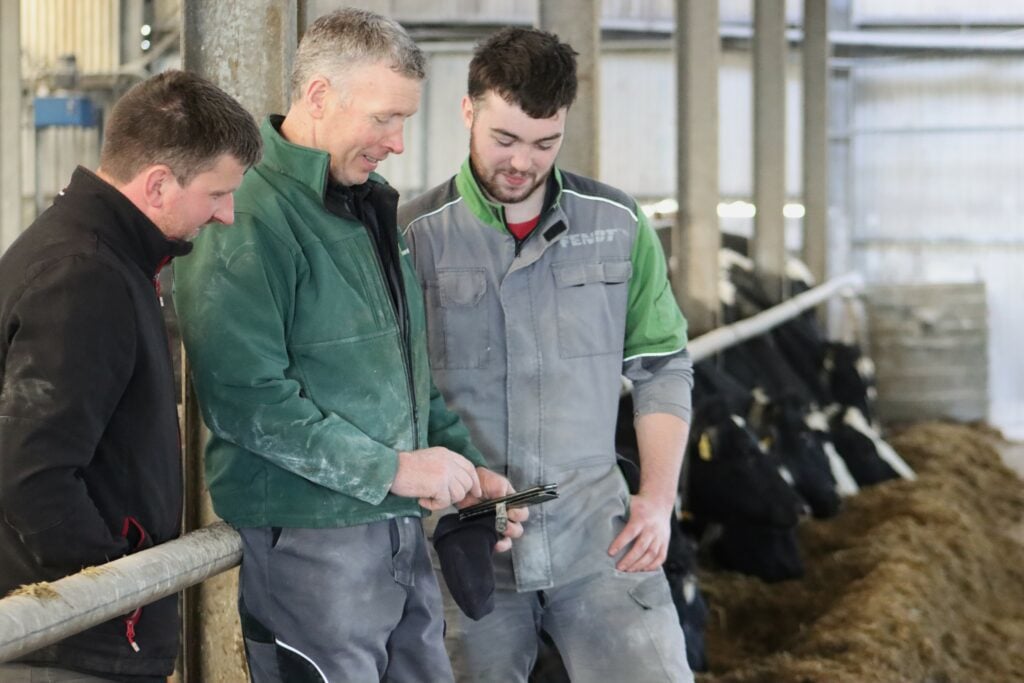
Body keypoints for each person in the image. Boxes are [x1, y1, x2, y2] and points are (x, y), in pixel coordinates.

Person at [172, 9, 525, 683]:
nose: (397, 142)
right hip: (310, 540)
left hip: (395, 530)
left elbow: (409, 380)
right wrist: (396, 469)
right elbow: (249, 402)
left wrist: (470, 472)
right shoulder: (248, 214)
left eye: (404, 121)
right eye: (383, 118)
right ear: (318, 97)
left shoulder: (365, 207)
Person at [399, 27, 695, 682]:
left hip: (600, 538)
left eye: (544, 143)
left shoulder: (617, 224)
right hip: (465, 549)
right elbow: (390, 391)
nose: (522, 163)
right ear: (468, 110)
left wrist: (657, 498)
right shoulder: (411, 236)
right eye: (505, 139)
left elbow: (661, 367)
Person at [0, 70, 261, 683]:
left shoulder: (97, 254)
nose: (226, 216)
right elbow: (31, 473)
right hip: (67, 648)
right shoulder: (83, 277)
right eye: (218, 194)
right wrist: (121, 590)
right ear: (159, 184)